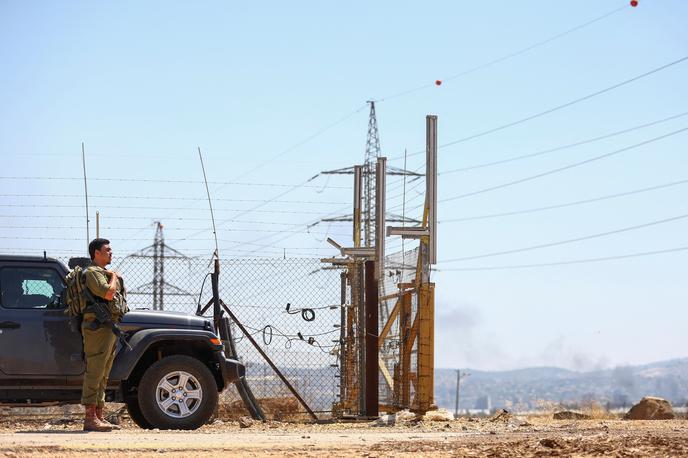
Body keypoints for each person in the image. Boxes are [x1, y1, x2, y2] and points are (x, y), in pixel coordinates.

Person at [81, 238, 129, 432]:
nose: (111, 253)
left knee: (104, 372)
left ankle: (99, 415)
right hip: (97, 327)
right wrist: (114, 277)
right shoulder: (92, 272)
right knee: (95, 369)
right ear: (96, 254)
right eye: (107, 250)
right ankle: (89, 417)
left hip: (108, 326)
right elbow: (108, 294)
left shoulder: (102, 273)